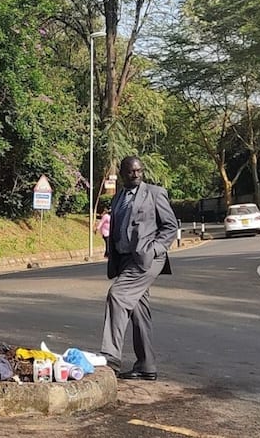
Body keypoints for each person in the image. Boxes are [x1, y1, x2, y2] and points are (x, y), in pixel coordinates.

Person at [100, 156, 178, 381]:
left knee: (117, 296)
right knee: (138, 311)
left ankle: (110, 356)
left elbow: (170, 226)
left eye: (139, 171)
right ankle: (146, 365)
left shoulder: (154, 193)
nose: (136, 175)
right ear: (123, 173)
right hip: (125, 259)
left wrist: (155, 249)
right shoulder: (118, 198)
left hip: (146, 259)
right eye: (131, 171)